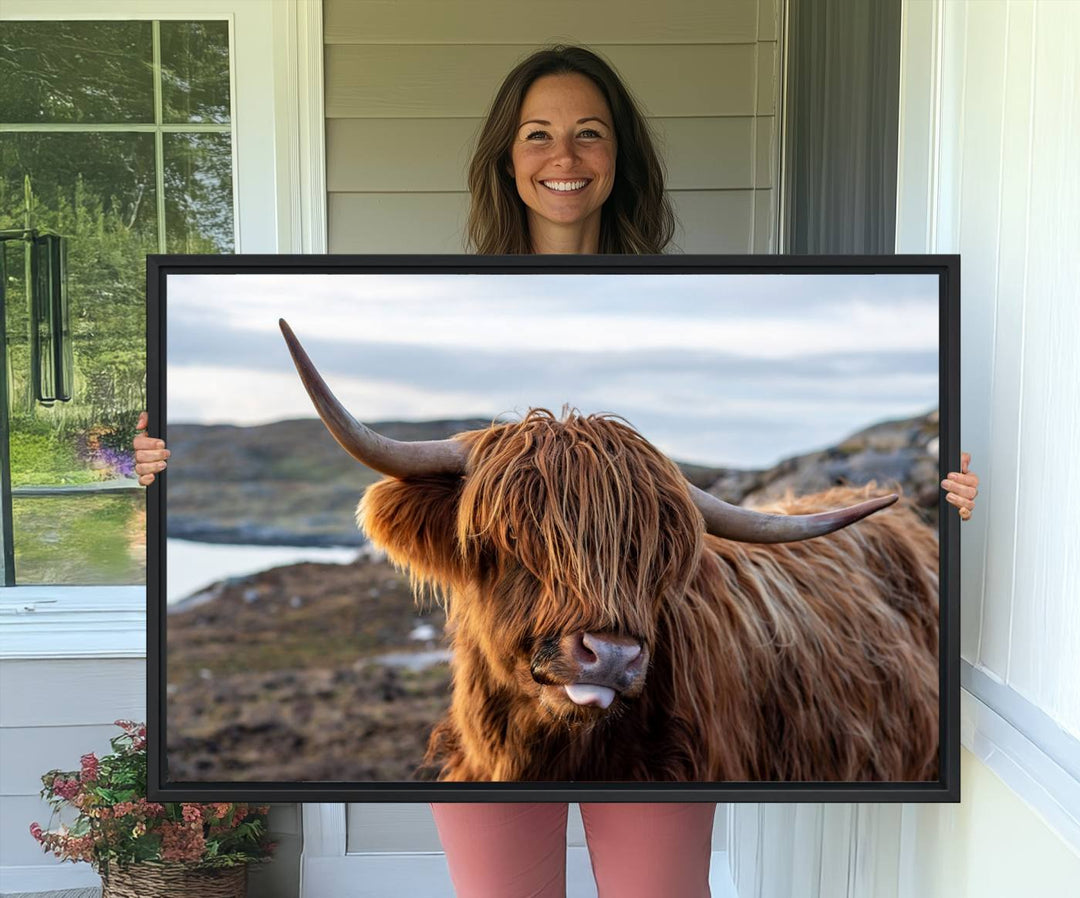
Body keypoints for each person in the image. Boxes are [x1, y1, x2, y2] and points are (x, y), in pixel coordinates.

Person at [134, 45, 980, 898]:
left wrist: (956, 501)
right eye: (538, 135)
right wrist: (151, 467)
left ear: (621, 159)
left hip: (658, 727)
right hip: (494, 723)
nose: (564, 158)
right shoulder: (428, 288)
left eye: (590, 135)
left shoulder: (699, 287)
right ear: (507, 157)